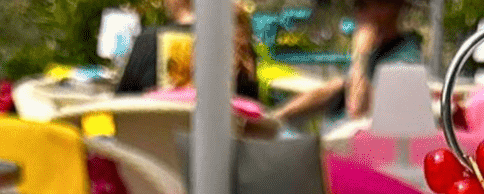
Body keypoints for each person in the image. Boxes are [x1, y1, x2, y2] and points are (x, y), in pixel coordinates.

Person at [272, 0, 422, 127]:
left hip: (356, 150)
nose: (357, 14)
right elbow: (337, 87)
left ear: (389, 9)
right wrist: (278, 116)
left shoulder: (404, 56)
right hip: (333, 139)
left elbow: (358, 111)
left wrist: (361, 54)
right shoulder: (376, 51)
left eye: (362, 6)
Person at [116, 0, 259, 100]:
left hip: (152, 141)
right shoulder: (237, 43)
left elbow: (120, 106)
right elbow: (252, 114)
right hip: (221, 142)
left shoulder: (146, 42)